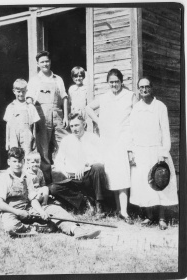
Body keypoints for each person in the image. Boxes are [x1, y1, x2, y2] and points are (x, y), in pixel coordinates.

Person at [0, 147, 101, 239]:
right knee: (11, 227)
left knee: (55, 210)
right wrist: (18, 212)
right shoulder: (4, 178)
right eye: (14, 161)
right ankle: (35, 228)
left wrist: (41, 211)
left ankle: (77, 230)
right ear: (8, 162)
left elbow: (32, 199)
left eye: (20, 161)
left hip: (28, 208)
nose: (17, 165)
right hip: (10, 211)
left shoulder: (26, 177)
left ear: (23, 162)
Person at [86, 69, 138, 224]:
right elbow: (88, 108)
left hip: (123, 140)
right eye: (111, 82)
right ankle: (118, 210)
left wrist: (132, 144)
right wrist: (98, 121)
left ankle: (124, 211)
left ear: (121, 81)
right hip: (108, 141)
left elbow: (135, 119)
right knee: (113, 175)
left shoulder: (130, 96)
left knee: (123, 174)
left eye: (117, 81)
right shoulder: (104, 97)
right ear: (108, 83)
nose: (114, 84)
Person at [129, 77, 178, 230]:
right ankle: (150, 216)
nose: (144, 90)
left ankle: (162, 218)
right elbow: (132, 132)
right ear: (138, 89)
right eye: (141, 87)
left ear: (152, 88)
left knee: (160, 182)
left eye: (147, 87)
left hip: (157, 151)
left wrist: (163, 152)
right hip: (141, 151)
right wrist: (131, 151)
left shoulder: (160, 106)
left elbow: (165, 131)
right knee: (145, 184)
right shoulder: (136, 108)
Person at [49, 113, 108, 215]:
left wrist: (86, 164)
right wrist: (64, 172)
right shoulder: (66, 140)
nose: (74, 129)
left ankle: (99, 205)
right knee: (53, 188)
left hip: (89, 177)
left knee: (98, 167)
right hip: (72, 178)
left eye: (77, 125)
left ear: (84, 125)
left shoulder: (93, 138)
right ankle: (86, 202)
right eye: (72, 126)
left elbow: (102, 157)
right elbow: (58, 161)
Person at [26, 50, 69, 184]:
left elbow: (65, 98)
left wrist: (66, 116)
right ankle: (49, 184)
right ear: (38, 64)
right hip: (42, 118)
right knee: (43, 151)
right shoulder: (34, 80)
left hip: (57, 115)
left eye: (47, 61)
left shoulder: (58, 79)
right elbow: (29, 98)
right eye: (42, 62)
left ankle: (67, 182)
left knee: (65, 146)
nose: (45, 64)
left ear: (50, 62)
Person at [3, 79, 40, 155]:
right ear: (14, 91)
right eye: (18, 91)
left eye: (23, 91)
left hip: (27, 134)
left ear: (26, 91)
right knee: (15, 155)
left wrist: (34, 141)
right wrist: (8, 141)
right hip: (14, 135)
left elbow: (34, 127)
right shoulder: (10, 107)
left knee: (27, 154)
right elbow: (8, 126)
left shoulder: (30, 107)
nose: (21, 94)